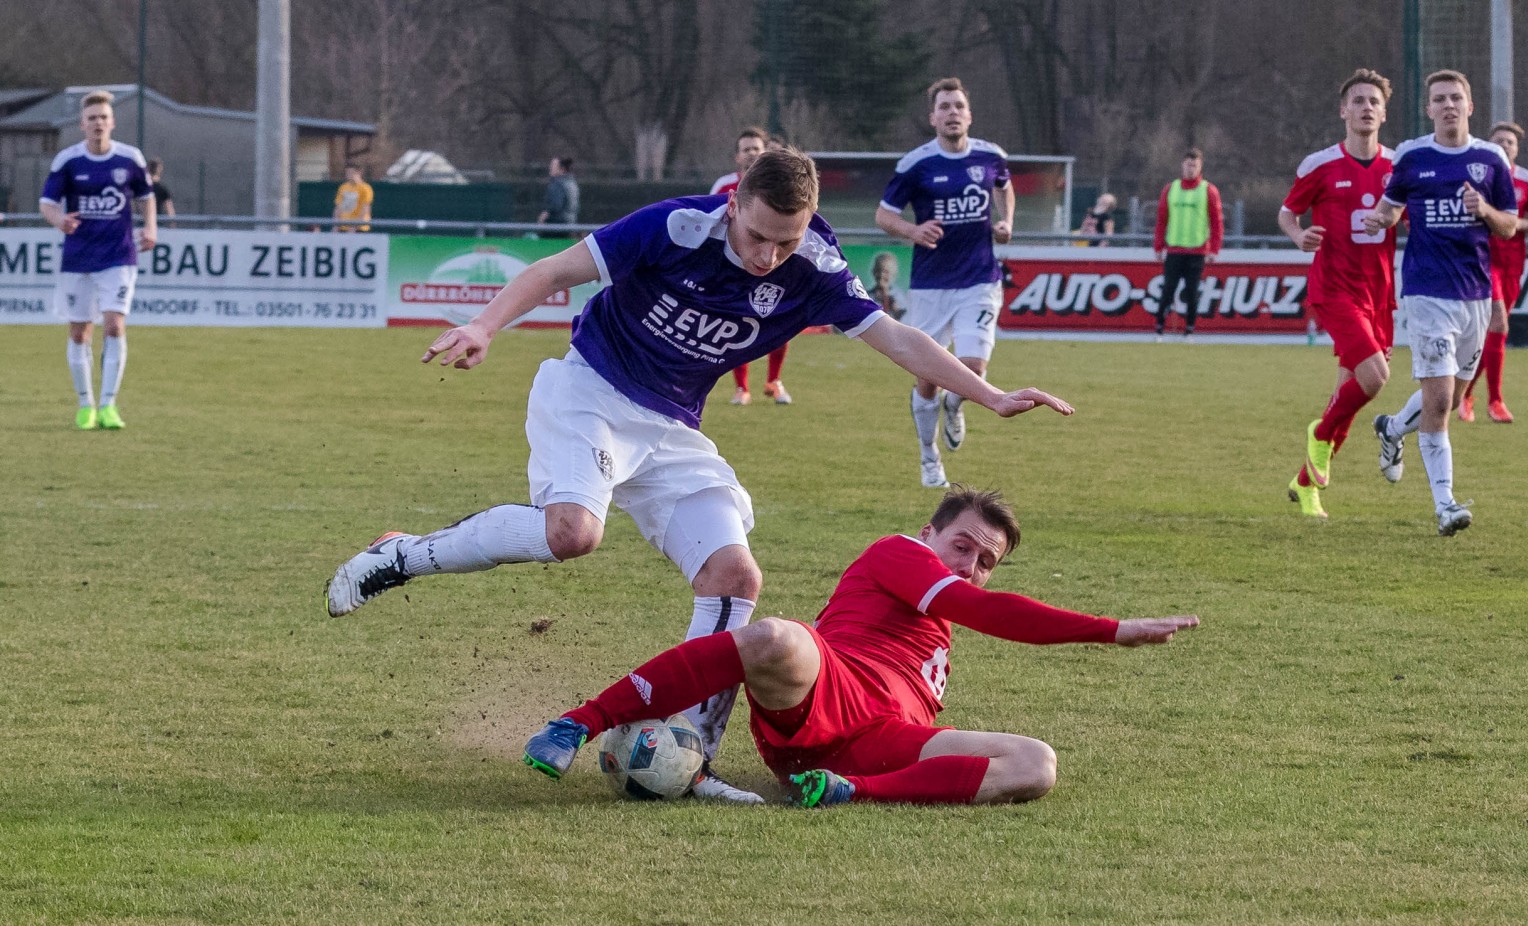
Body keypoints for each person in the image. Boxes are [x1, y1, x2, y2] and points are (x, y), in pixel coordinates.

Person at [324, 148, 1075, 802]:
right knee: (573, 535)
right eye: (755, 235)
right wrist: (485, 325)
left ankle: (693, 755)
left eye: (785, 241)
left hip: (673, 426)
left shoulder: (811, 264)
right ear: (734, 198)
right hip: (590, 391)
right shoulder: (675, 225)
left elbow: (900, 340)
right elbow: (558, 269)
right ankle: (403, 554)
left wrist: (991, 394)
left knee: (734, 576)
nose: (767, 255)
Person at [521, 487, 1198, 806]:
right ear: (928, 533)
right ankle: (581, 722)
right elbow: (979, 608)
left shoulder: (937, 626)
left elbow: (967, 609)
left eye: (984, 560)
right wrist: (1112, 629)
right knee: (774, 638)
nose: (968, 564)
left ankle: (849, 792)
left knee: (1036, 765)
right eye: (960, 545)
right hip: (830, 684)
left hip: (886, 736)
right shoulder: (899, 555)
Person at [1363, 70, 1518, 536]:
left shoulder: (1490, 159)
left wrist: (1484, 211)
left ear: (1470, 107)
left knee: (1448, 399)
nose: (1448, 105)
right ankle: (1446, 504)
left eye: (1456, 98)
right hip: (1427, 291)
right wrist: (1380, 218)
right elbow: (1391, 206)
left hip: (1473, 295)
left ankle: (1392, 429)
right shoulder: (1412, 156)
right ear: (1428, 109)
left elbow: (1508, 225)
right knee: (1440, 399)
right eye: (1439, 99)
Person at [875, 77, 1014, 489]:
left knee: (974, 366)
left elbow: (1005, 189)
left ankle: (958, 401)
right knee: (927, 375)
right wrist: (913, 232)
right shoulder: (915, 164)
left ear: (969, 115)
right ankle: (928, 456)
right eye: (944, 107)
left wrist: (1005, 222)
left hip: (980, 279)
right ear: (933, 117)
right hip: (931, 285)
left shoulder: (991, 156)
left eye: (958, 106)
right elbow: (884, 216)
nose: (952, 112)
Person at [1278, 69, 1400, 520]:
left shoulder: (1396, 168)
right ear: (1343, 111)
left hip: (1379, 293)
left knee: (1348, 396)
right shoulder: (1320, 165)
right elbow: (1287, 213)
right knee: (1376, 377)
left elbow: (1407, 213)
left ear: (1383, 113)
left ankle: (1306, 484)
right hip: (1335, 290)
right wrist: (1298, 236)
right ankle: (1319, 431)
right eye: (1358, 100)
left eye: (1374, 101)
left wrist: (1393, 218)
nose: (1366, 107)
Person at [38, 89, 157, 431]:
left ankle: (108, 405)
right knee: (79, 332)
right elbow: (46, 203)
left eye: (104, 117)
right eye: (92, 118)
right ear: (82, 124)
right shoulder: (68, 161)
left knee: (114, 325)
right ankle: (84, 405)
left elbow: (147, 197)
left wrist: (150, 227)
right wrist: (58, 219)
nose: (98, 123)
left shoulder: (129, 158)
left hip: (119, 255)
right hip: (78, 257)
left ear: (113, 122)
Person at [1460, 121, 1528, 424]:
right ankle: (1496, 401)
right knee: (1498, 323)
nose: (1504, 146)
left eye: (1510, 142)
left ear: (1517, 148)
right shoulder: (1477, 176)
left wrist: (1513, 223)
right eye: (1498, 140)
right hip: (1482, 261)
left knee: (1495, 334)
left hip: (1512, 264)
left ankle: (1465, 393)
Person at [713, 128, 793, 405]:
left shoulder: (779, 185)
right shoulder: (724, 186)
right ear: (737, 156)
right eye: (746, 149)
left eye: (756, 148)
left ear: (765, 152)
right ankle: (741, 388)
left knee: (780, 320)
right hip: (734, 267)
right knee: (736, 323)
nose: (751, 153)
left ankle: (774, 380)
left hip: (772, 265)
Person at [1152, 148, 1223, 339]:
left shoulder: (1208, 190)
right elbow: (1161, 219)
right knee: (1168, 290)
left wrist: (1214, 249)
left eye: (1195, 165)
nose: (1191, 169)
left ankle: (1189, 330)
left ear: (1200, 167)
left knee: (1192, 293)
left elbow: (1217, 222)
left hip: (1197, 250)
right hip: (1174, 249)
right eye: (1188, 165)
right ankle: (1159, 329)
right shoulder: (1171, 188)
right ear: (1182, 165)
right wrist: (1158, 246)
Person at [536, 156, 580, 236]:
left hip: (557, 227)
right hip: (570, 225)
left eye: (553, 166)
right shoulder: (572, 183)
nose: (550, 168)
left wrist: (544, 216)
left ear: (562, 169)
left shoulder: (557, 183)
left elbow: (555, 206)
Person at [866, 251, 906, 320]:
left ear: (894, 274)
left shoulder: (899, 296)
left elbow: (904, 318)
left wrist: (892, 304)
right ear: (873, 272)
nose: (881, 275)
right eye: (878, 270)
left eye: (886, 272)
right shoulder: (867, 296)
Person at [333, 164, 373, 232]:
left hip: (360, 228)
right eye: (347, 173)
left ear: (359, 173)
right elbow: (338, 207)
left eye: (351, 173)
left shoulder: (365, 188)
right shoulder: (343, 187)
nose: (349, 175)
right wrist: (336, 225)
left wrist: (355, 226)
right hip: (343, 227)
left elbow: (365, 208)